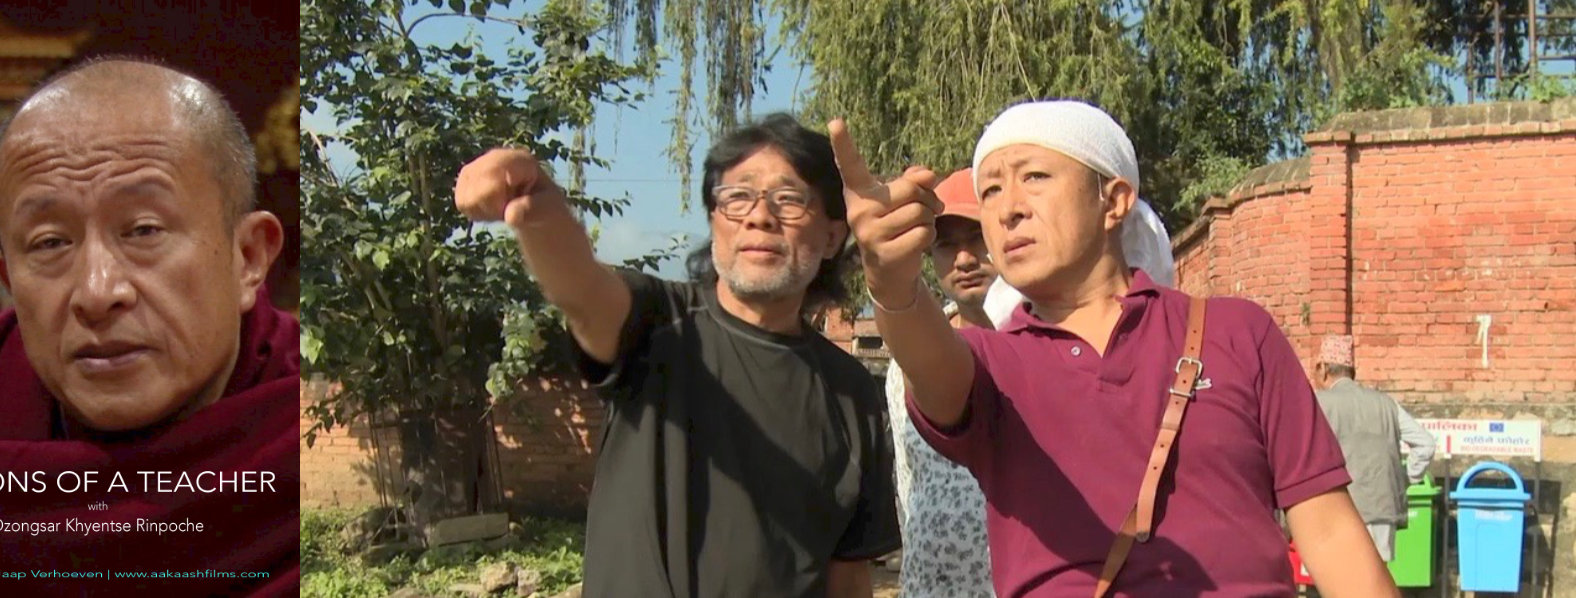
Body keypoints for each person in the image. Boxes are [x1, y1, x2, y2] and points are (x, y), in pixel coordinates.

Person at [837, 99, 1398, 596]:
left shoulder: (1236, 332)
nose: (1007, 208)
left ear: (1114, 200)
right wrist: (891, 286)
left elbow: (1328, 530)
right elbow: (930, 364)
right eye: (990, 190)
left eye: (1034, 176)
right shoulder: (992, 364)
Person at [454, 113, 900, 597]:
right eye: (737, 197)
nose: (759, 216)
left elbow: (849, 577)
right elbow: (580, 288)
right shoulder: (657, 324)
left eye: (789, 199)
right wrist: (537, 201)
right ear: (714, 219)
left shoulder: (853, 395)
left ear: (833, 236)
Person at [0, 58, 296, 596]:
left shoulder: (302, 425)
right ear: (8, 279)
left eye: (143, 230)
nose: (97, 292)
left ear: (248, 258)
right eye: (50, 243)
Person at [883, 168, 998, 596]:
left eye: (977, 238)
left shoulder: (1043, 350)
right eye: (946, 246)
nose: (964, 259)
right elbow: (907, 482)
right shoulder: (907, 361)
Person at [1313, 334, 1439, 562]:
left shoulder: (1318, 403)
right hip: (1382, 513)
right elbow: (1426, 444)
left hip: (1340, 512)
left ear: (1322, 369)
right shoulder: (1386, 404)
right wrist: (1403, 478)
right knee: (1376, 582)